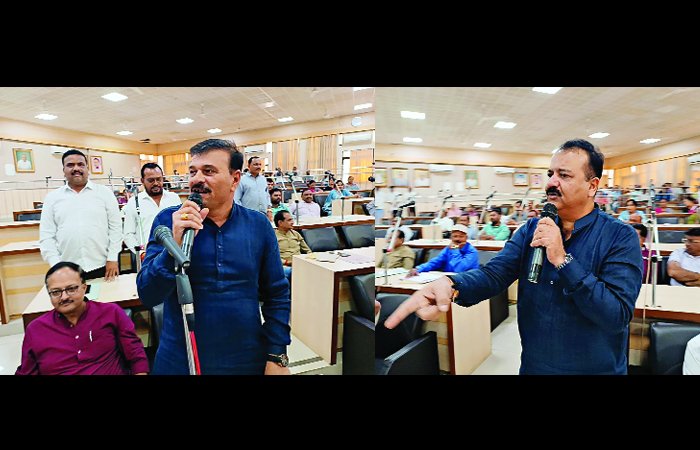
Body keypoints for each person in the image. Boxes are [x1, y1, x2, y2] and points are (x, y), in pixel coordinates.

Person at [385, 138, 643, 374]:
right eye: (550, 174)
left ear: (592, 186)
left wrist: (563, 260)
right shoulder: (531, 229)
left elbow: (616, 315)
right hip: (534, 367)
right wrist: (451, 284)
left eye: (564, 175)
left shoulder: (620, 236)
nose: (551, 183)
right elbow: (494, 274)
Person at [137, 139, 290, 375]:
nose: (197, 179)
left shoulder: (258, 225)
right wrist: (173, 247)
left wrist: (277, 354)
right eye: (193, 172)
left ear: (235, 179)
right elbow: (148, 294)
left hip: (246, 358)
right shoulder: (168, 221)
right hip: (180, 358)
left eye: (208, 171)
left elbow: (277, 294)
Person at [16, 262, 148, 375]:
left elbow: (136, 357)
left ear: (84, 288)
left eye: (71, 289)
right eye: (56, 292)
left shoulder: (110, 313)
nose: (64, 297)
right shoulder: (36, 329)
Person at [40, 149, 122, 281]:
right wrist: (56, 266)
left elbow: (116, 228)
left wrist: (112, 258)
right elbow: (46, 236)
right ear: (63, 170)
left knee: (107, 295)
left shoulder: (104, 193)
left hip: (104, 265)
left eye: (80, 164)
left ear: (87, 168)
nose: (76, 168)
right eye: (70, 165)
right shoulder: (52, 198)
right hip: (67, 270)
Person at [123, 163, 182, 257]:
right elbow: (128, 234)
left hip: (172, 254)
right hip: (148, 256)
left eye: (159, 179)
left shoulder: (174, 198)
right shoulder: (134, 202)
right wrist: (141, 254)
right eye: (151, 180)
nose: (156, 183)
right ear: (142, 181)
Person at [406, 224, 478, 276]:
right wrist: (419, 269)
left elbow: (458, 269)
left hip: (466, 280)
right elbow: (435, 262)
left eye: (461, 236)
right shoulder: (448, 249)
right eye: (455, 236)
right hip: (449, 279)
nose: (457, 239)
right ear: (451, 238)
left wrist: (455, 250)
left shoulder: (472, 251)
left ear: (466, 238)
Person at [274, 210, 312, 283]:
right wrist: (287, 262)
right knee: (293, 271)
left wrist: (310, 259)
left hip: (299, 262)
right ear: (280, 223)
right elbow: (272, 257)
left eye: (292, 219)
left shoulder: (296, 234)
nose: (292, 222)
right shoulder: (273, 237)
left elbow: (307, 250)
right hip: (284, 265)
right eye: (289, 220)